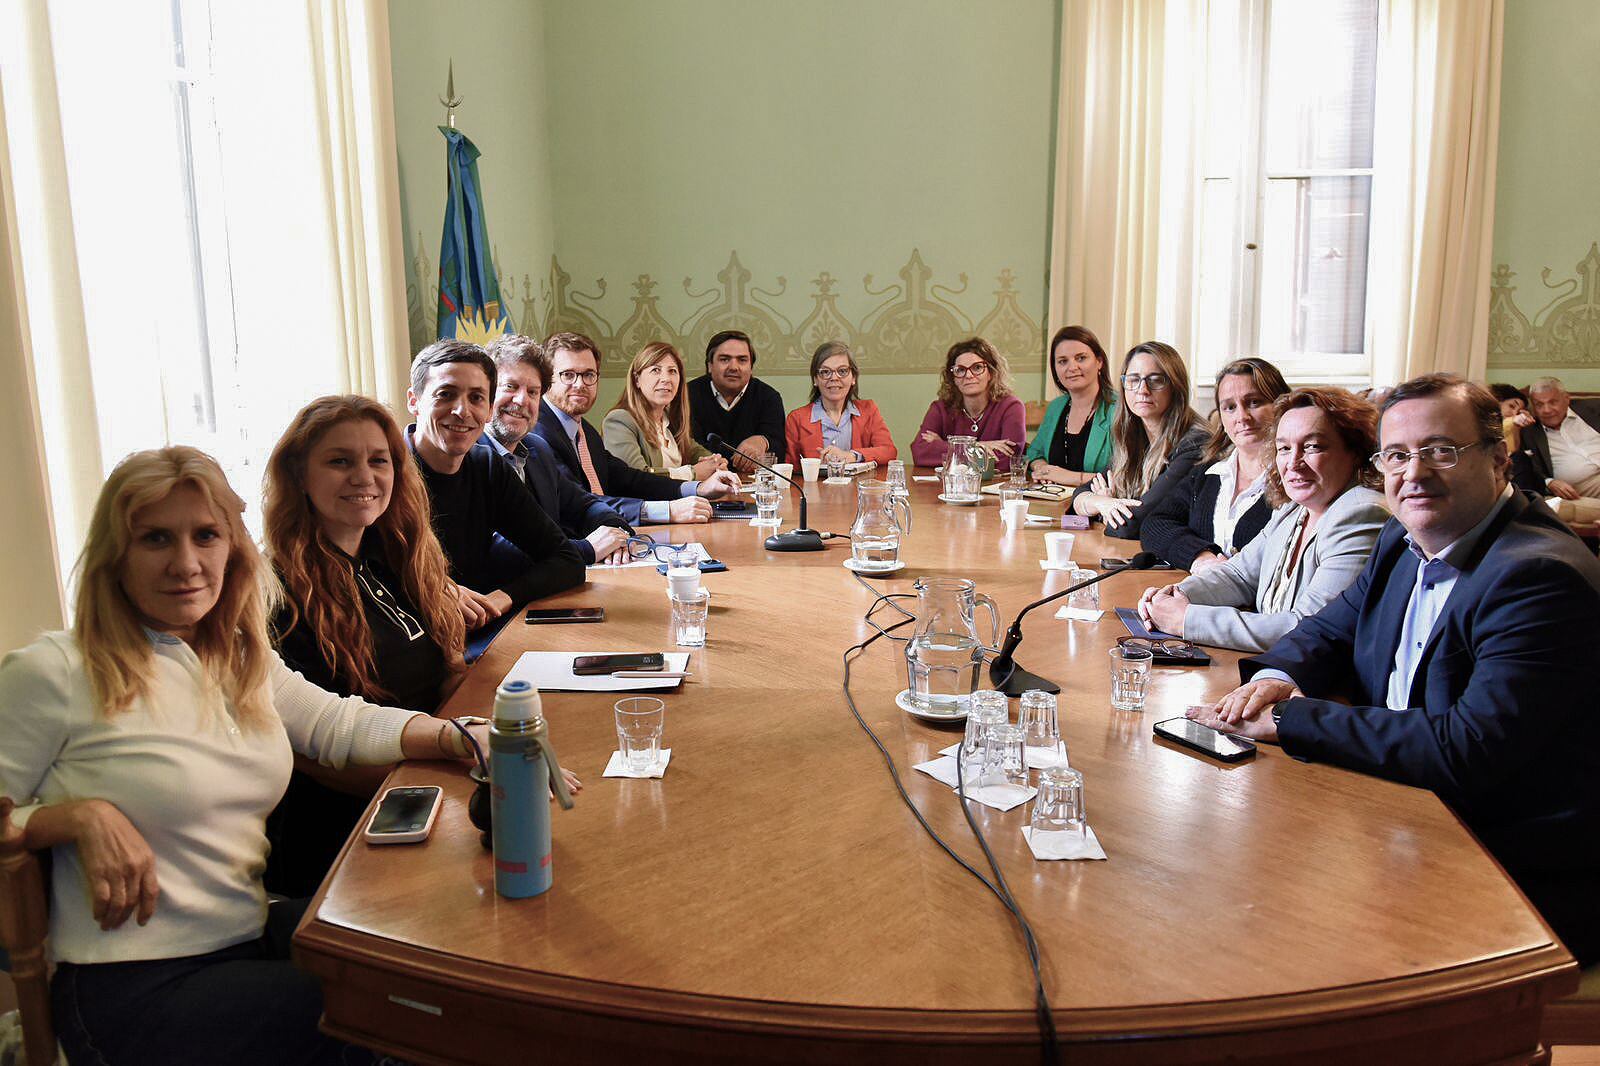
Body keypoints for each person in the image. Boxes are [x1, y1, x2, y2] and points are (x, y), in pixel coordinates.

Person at [0, 447, 500, 1065]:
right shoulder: (55, 671)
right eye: (156, 538)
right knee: (383, 1019)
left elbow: (335, 721)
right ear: (115, 555)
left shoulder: (237, 656)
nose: (186, 563)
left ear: (232, 548)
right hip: (134, 983)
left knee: (438, 963)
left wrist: (456, 735)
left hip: (244, 933)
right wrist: (72, 818)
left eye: (206, 535)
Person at [1188, 374, 1600, 966]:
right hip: (1410, 810)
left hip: (1509, 862)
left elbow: (1467, 748)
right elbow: (1333, 627)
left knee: (1264, 935)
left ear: (1500, 462)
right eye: (1398, 455)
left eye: (1440, 451)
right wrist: (1273, 678)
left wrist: (1294, 719)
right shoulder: (1404, 539)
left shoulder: (1536, 576)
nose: (1414, 474)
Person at [261, 395, 469, 896]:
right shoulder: (274, 589)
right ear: (299, 474)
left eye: (378, 460)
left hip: (430, 783)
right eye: (339, 461)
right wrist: (445, 778)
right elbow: (306, 751)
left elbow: (440, 671)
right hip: (352, 832)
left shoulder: (392, 555)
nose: (363, 477)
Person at [1138, 387, 1388, 653]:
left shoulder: (1361, 513)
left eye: (1312, 446)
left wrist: (1186, 619)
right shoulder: (1293, 508)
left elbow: (1307, 627)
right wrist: (1177, 594)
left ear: (1355, 451)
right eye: (1284, 448)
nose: (1293, 462)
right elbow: (1239, 575)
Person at [406, 338, 585, 634]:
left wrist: (500, 599)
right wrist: (437, 591)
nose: (462, 411)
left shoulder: (486, 465)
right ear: (414, 401)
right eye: (446, 394)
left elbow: (565, 560)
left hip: (478, 632)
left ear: (488, 410)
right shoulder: (383, 473)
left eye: (476, 398)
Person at [534, 331, 741, 526]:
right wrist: (669, 510)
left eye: (589, 374)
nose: (580, 384)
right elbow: (579, 504)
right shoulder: (538, 434)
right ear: (546, 379)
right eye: (568, 375)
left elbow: (628, 479)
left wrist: (698, 488)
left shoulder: (583, 430)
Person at [485, 334, 634, 565]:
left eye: (533, 392)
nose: (522, 400)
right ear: (486, 390)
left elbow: (585, 505)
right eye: (510, 386)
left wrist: (613, 533)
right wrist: (588, 549)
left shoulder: (536, 449)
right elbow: (496, 551)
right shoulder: (469, 457)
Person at [1140, 358, 1290, 571]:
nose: (1242, 417)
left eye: (1254, 402)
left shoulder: (1296, 480)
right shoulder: (1208, 473)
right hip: (1194, 597)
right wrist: (1201, 557)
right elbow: (1154, 524)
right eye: (1229, 407)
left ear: (1281, 405)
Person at [1070, 340, 1207, 539]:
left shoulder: (1194, 444)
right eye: (1134, 380)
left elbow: (1132, 525)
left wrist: (1103, 510)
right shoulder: (1135, 438)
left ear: (1175, 386)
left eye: (1156, 380)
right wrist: (1103, 503)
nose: (1143, 390)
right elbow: (1079, 496)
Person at [603, 341, 727, 479]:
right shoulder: (619, 420)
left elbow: (697, 453)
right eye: (656, 370)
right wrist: (692, 473)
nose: (666, 379)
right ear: (636, 379)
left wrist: (716, 463)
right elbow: (636, 478)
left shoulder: (670, 420)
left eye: (672, 371)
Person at [909, 337, 1026, 473]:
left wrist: (946, 447)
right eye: (960, 370)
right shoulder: (940, 408)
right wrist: (978, 447)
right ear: (953, 378)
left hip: (994, 490)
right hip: (949, 489)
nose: (969, 375)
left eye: (977, 368)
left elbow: (1008, 460)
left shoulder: (1011, 407)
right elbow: (920, 452)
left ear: (991, 373)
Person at [1022, 325, 1117, 487]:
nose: (1072, 367)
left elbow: (1128, 477)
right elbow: (1034, 452)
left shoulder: (1120, 410)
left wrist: (1071, 477)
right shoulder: (1056, 407)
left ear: (1099, 361)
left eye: (1081, 358)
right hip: (1053, 502)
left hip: (1099, 507)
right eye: (1062, 361)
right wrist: (1042, 468)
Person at [686, 329, 788, 475]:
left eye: (742, 360)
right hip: (701, 483)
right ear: (709, 365)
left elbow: (779, 452)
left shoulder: (768, 397)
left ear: (751, 367)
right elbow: (689, 449)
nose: (734, 367)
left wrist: (763, 441)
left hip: (753, 485)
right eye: (724, 359)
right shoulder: (687, 396)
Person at [783, 341, 898, 468]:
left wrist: (851, 456)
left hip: (858, 486)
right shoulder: (797, 418)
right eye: (825, 372)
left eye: (842, 371)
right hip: (815, 487)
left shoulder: (868, 410)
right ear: (815, 379)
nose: (834, 378)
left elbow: (889, 451)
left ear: (853, 377)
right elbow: (790, 469)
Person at [1513, 377, 1600, 501]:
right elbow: (1525, 468)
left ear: (1566, 399)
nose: (1547, 410)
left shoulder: (1593, 408)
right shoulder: (1529, 432)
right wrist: (1549, 482)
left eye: (1553, 402)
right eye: (1539, 404)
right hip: (1584, 488)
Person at [1489, 383, 1531, 454]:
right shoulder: (1479, 419)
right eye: (1512, 406)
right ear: (1498, 400)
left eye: (1518, 413)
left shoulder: (1513, 426)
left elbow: (1512, 452)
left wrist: (1516, 428)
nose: (1514, 414)